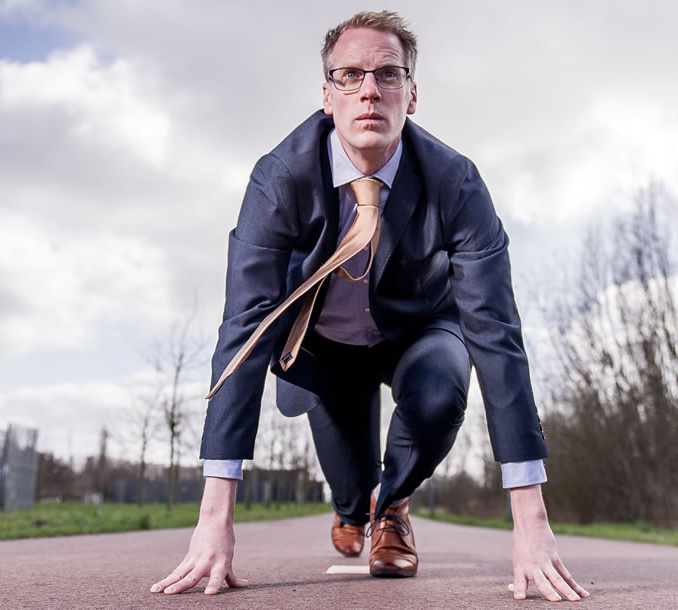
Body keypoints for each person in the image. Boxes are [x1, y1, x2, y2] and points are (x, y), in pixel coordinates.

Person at [150, 10, 590, 602]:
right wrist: (213, 520)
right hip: (325, 345)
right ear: (326, 95)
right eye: (350, 75)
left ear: (412, 94)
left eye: (388, 74)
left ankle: (394, 506)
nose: (369, 91)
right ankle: (356, 507)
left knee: (441, 390)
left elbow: (495, 331)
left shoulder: (456, 182)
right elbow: (244, 330)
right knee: (350, 491)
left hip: (418, 329)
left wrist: (531, 520)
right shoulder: (278, 179)